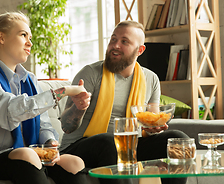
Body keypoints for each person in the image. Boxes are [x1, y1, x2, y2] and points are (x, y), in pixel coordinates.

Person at [0, 12, 91, 184]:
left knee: (74, 162)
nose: (30, 43)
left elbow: (42, 123)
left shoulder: (30, 80)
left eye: (30, 37)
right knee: (26, 154)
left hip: (29, 155)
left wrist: (49, 143)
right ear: (1, 38)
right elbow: (12, 110)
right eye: (23, 35)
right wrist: (61, 92)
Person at [60, 20, 189, 184]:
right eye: (113, 39)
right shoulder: (90, 73)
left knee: (178, 139)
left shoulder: (151, 79)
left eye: (124, 41)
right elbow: (66, 127)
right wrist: (78, 108)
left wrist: (153, 128)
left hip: (129, 147)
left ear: (140, 50)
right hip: (82, 146)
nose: (115, 45)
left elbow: (152, 120)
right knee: (110, 141)